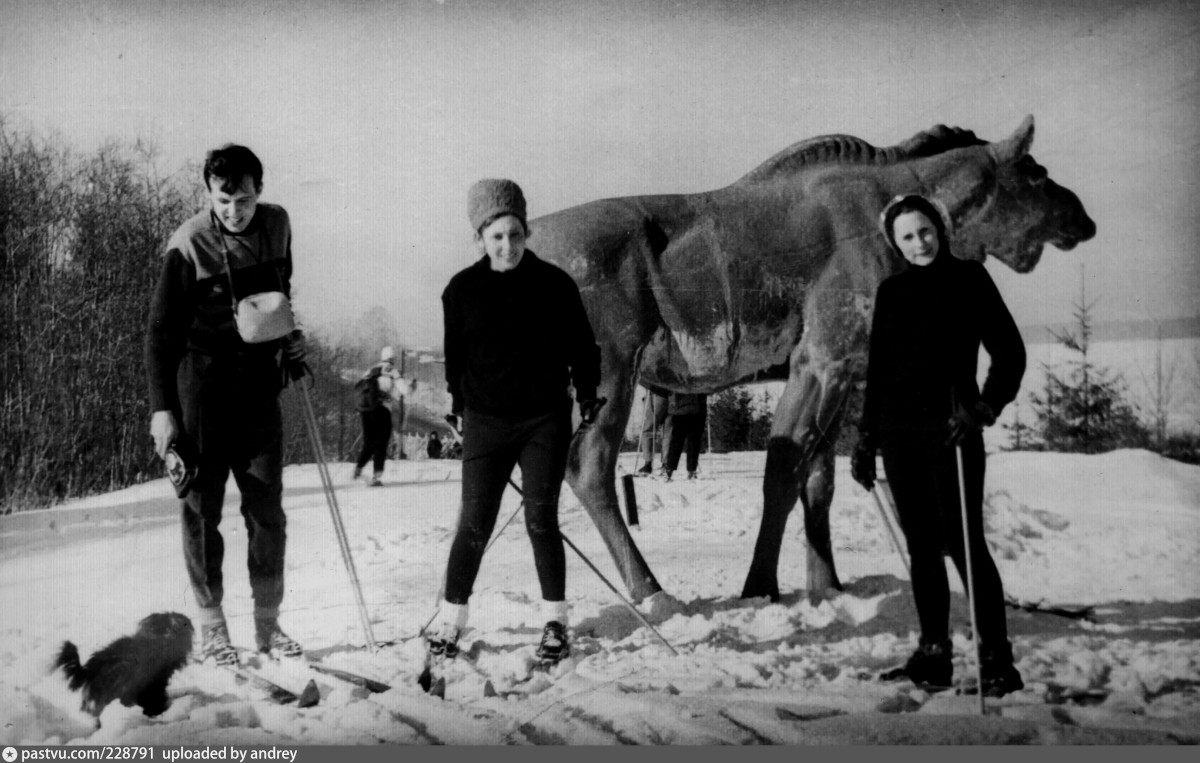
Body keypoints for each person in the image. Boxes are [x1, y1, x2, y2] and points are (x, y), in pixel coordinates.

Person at [851, 194, 1026, 697]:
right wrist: (866, 438)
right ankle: (934, 655)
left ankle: (997, 661)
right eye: (907, 236)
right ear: (896, 244)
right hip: (899, 437)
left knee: (965, 544)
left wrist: (982, 409)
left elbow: (1009, 353)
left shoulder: (969, 278)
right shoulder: (892, 291)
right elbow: (878, 371)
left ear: (940, 228)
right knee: (922, 548)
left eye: (925, 231)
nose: (919, 242)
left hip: (952, 432)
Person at [145, 144, 306, 666]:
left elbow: (279, 295)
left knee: (267, 513)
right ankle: (214, 627)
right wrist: (162, 408)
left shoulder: (277, 225)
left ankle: (268, 624)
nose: (233, 210)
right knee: (200, 512)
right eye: (223, 199)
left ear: (259, 190)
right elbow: (159, 334)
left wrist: (290, 340)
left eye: (243, 198)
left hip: (259, 390)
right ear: (209, 194)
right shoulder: (188, 244)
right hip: (202, 394)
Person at [431, 178, 603, 665]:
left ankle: (555, 621)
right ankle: (452, 619)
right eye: (497, 236)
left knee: (540, 519)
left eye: (516, 234)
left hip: (543, 421)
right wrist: (459, 407)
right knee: (474, 523)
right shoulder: (461, 291)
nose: (508, 245)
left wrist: (587, 395)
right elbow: (455, 360)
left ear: (526, 231)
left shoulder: (555, 284)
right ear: (480, 238)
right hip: (486, 421)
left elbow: (582, 348)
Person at [354, 346, 401, 486]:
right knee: (381, 443)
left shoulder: (370, 371)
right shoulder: (392, 371)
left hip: (366, 410)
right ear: (392, 358)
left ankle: (359, 468)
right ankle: (376, 477)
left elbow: (359, 388)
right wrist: (411, 388)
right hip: (382, 410)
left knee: (369, 443)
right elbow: (402, 391)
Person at [661, 393, 707, 481]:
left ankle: (684, 471)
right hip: (685, 409)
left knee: (685, 442)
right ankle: (672, 470)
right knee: (682, 442)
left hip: (688, 409)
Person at [634, 385, 670, 475]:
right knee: (668, 432)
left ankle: (648, 463)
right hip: (675, 396)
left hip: (657, 394)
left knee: (648, 430)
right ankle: (666, 464)